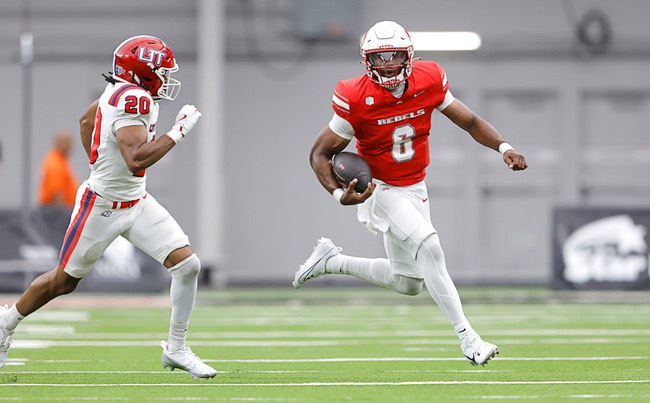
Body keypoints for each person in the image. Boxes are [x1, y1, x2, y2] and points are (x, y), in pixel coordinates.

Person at [292, 21, 528, 366]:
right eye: (379, 57)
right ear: (366, 61)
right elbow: (319, 153)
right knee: (430, 246)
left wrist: (503, 147)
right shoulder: (356, 96)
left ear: (409, 55)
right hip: (381, 189)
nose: (387, 64)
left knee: (408, 283)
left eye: (394, 55)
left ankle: (332, 260)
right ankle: (469, 338)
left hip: (416, 185)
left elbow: (471, 122)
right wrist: (338, 195)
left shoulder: (429, 79)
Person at [0, 35, 217, 379]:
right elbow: (135, 160)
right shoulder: (133, 98)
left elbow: (87, 122)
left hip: (136, 200)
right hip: (102, 205)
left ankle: (176, 348)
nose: (166, 77)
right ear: (142, 72)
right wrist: (178, 131)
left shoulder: (120, 91)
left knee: (187, 265)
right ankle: (5, 325)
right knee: (63, 282)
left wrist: (98, 158)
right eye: (161, 70)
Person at [38, 129, 79, 208]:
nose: (68, 145)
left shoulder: (61, 160)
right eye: (65, 142)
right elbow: (56, 192)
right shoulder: (55, 162)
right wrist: (61, 213)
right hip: (56, 212)